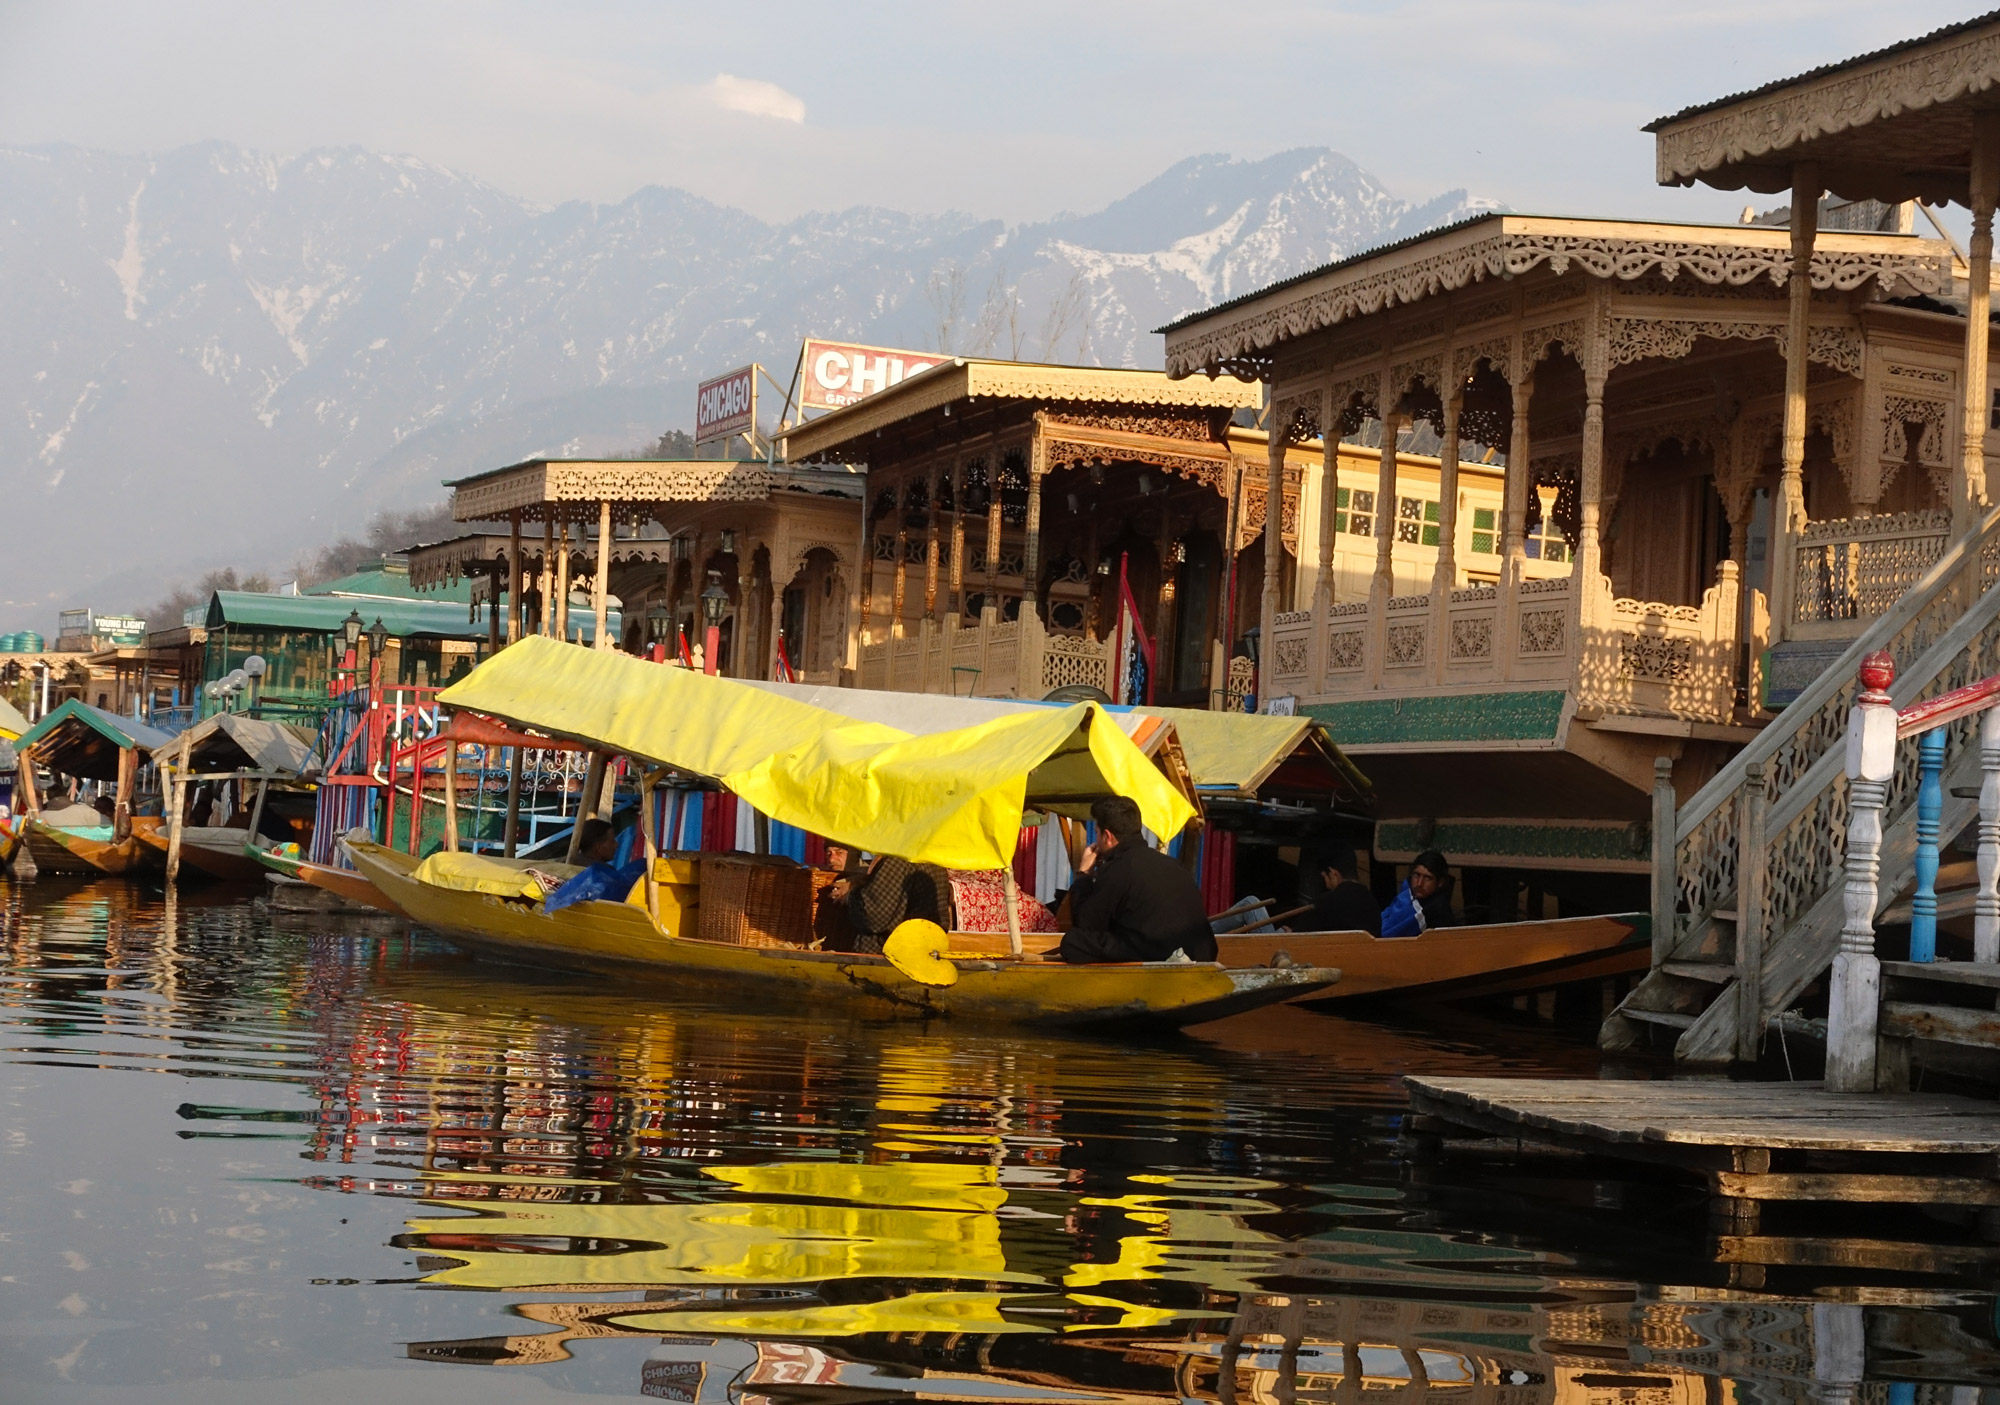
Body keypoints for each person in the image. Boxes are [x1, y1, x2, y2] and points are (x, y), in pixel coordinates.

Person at [1056, 796, 1216, 965]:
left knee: (1073, 942)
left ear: (1107, 836)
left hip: (1157, 955)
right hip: (1201, 954)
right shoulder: (1174, 865)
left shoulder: (1117, 868)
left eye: (1096, 832)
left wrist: (1083, 875)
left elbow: (1086, 924)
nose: (1096, 839)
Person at [845, 852, 954, 954]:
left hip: (890, 954)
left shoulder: (898, 860)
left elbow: (875, 917)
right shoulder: (933, 861)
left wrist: (851, 893)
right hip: (924, 949)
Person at [1380, 849, 1455, 938]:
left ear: (1440, 882)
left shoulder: (1438, 911)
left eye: (1427, 878)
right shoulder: (1406, 891)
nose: (1419, 883)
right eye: (1416, 875)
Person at [1307, 844, 1379, 935]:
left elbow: (1301, 935)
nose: (1327, 885)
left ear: (1334, 873)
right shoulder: (1373, 903)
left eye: (1324, 877)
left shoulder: (1325, 902)